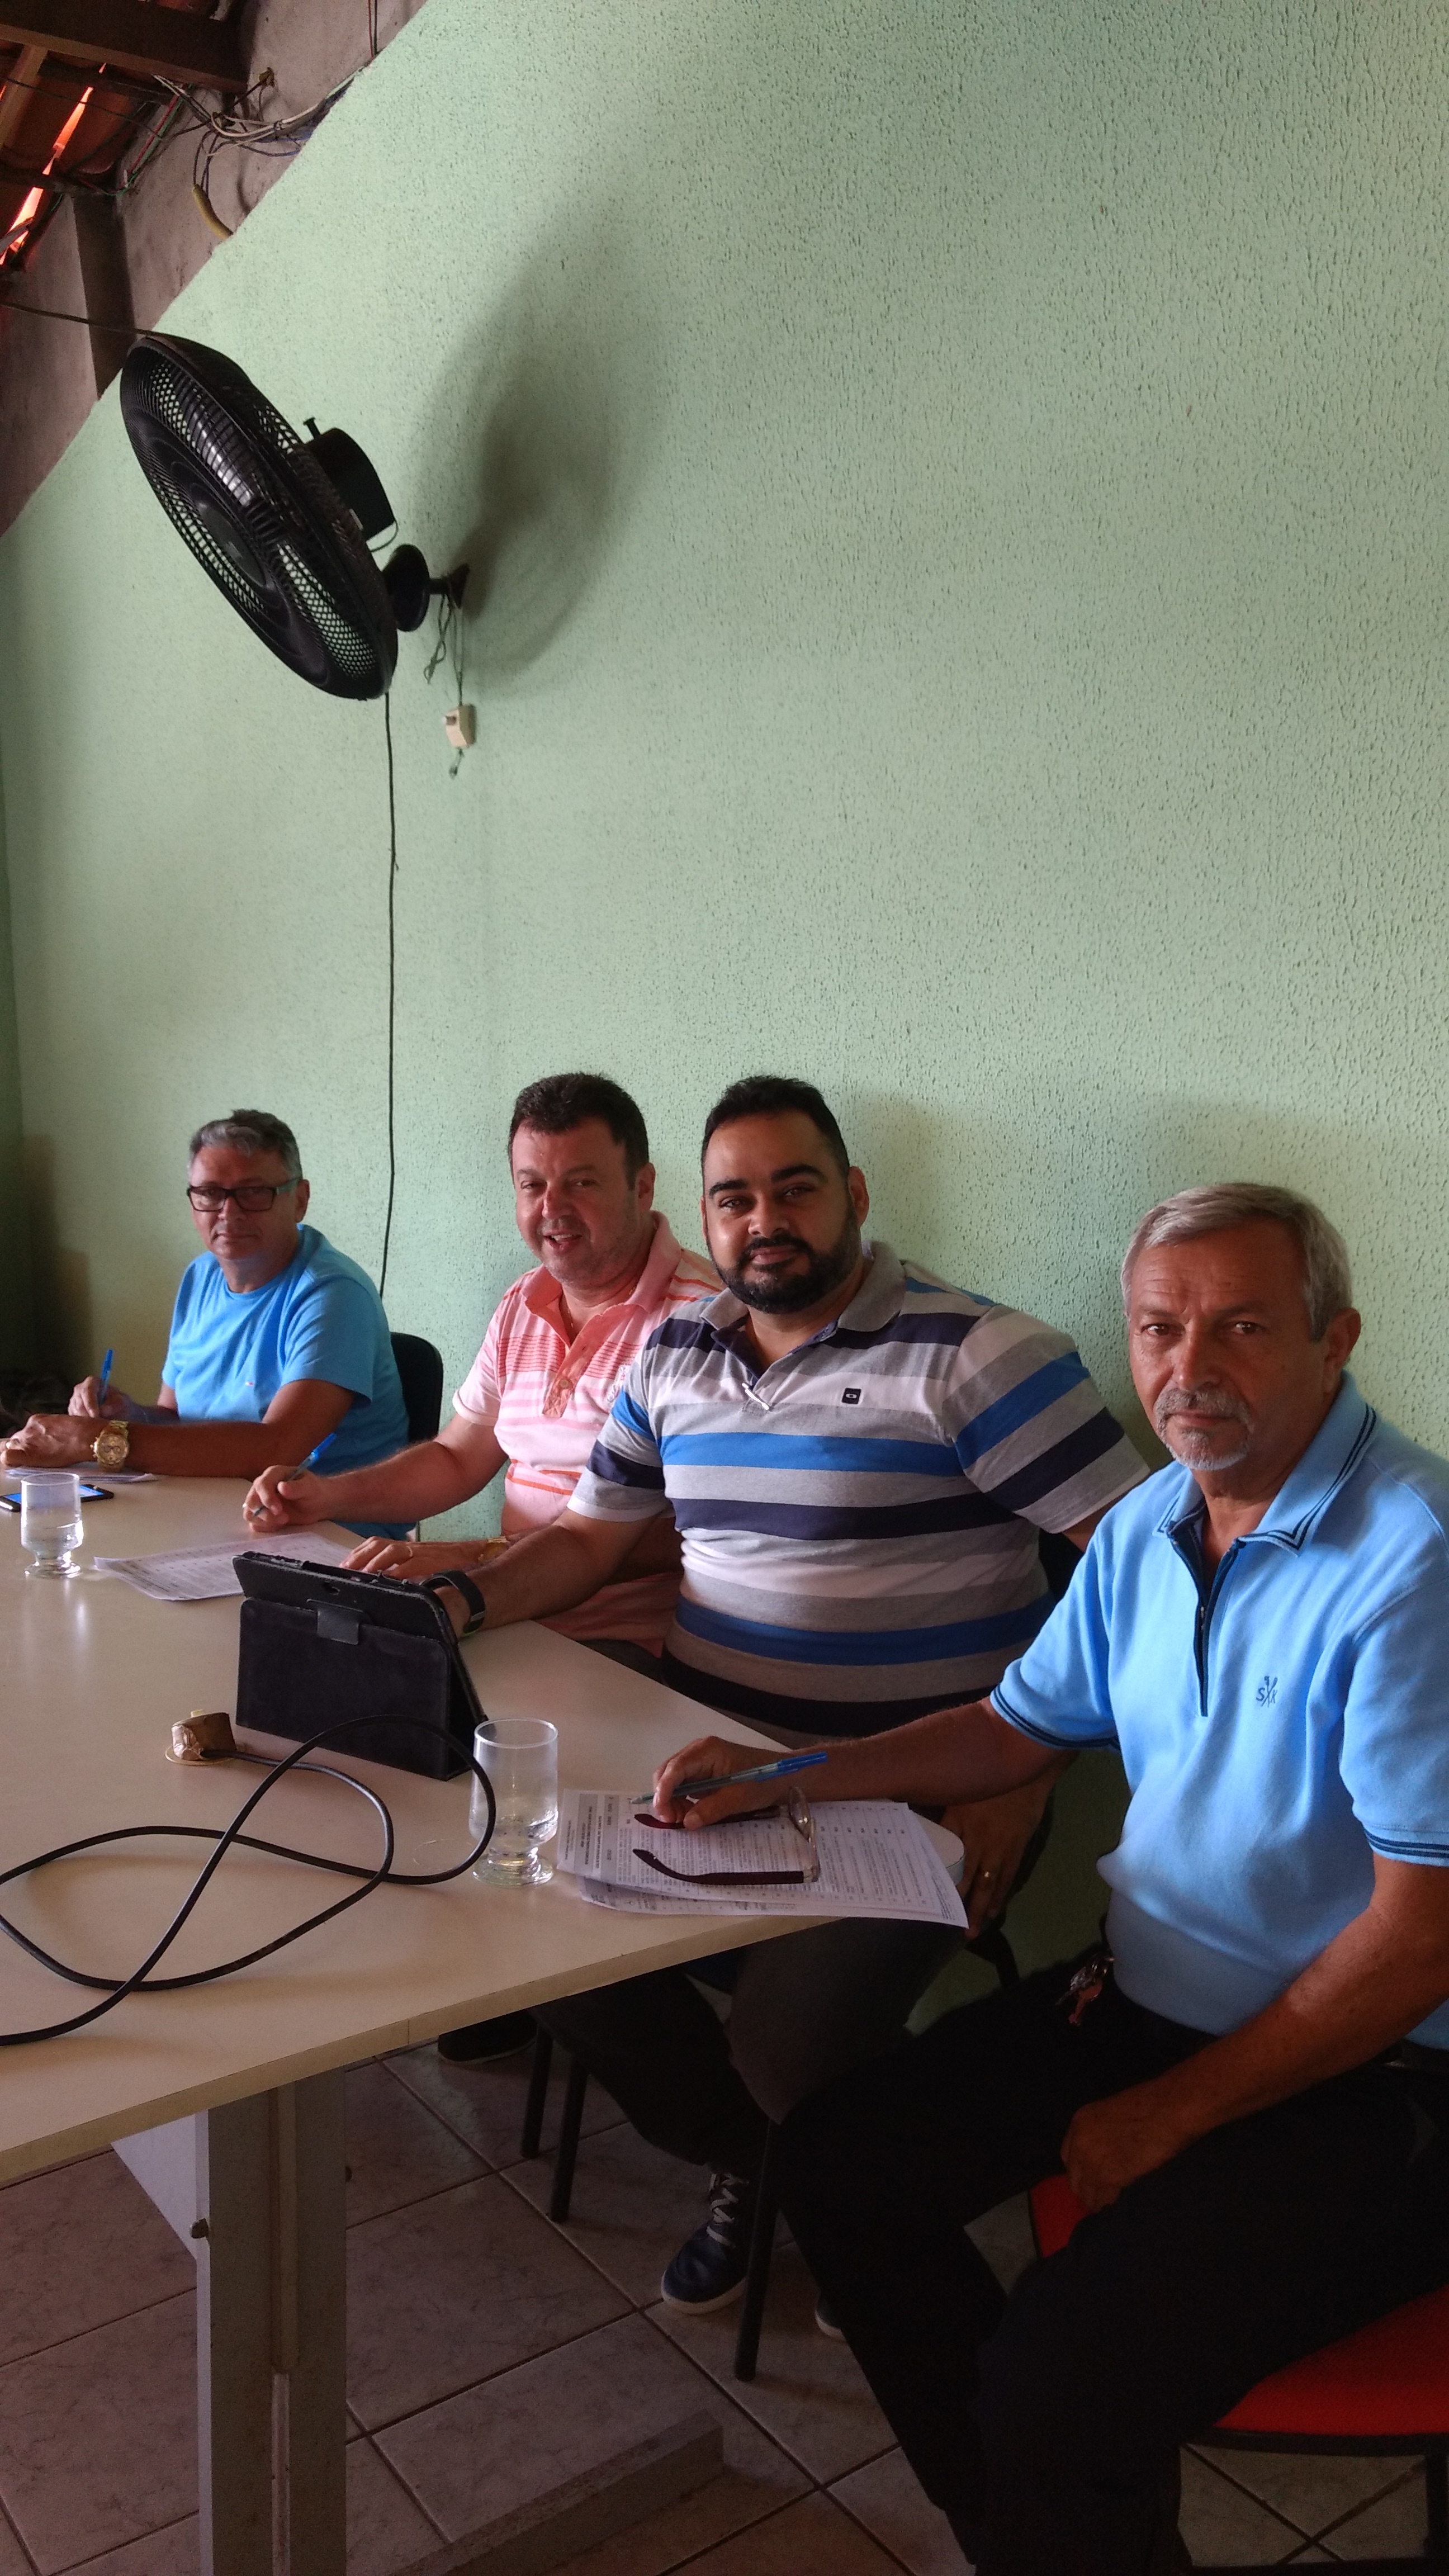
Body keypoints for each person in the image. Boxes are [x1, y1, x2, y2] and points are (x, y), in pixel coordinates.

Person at [648, 1183, 1449, 2574]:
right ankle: (1034, 2538)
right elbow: (1011, 1729)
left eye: (1243, 1326)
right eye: (1159, 1329)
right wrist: (788, 1775)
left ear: (1336, 1340)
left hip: (1378, 2071)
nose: (1188, 1367)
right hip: (1146, 1997)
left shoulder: (1414, 1560)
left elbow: (1421, 1942)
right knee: (834, 2165)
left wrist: (1168, 2113)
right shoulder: (1150, 1523)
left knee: (1061, 2375)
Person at [307, 1075, 1146, 2309]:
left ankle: (847, 2196)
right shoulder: (677, 1353)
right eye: (736, 1198)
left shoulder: (979, 1355)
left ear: (854, 1194)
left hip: (910, 1788)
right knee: (514, 1907)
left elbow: (1146, 1579)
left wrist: (1031, 1764)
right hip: (703, 1761)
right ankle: (766, 2161)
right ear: (704, 1215)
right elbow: (587, 1540)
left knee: (783, 2041)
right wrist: (460, 1599)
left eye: (795, 1189)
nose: (766, 1220)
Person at [245, 1069, 717, 2057]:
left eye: (581, 1182)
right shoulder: (522, 1303)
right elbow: (460, 1456)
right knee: (331, 1692)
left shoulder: (702, 1319)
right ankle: (452, 1965)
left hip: (629, 1645)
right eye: (532, 1185)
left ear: (643, 1186)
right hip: (510, 1611)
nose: (553, 1210)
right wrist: (325, 1493)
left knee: (448, 1731)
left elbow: (683, 1526)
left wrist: (473, 1558)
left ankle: (527, 1974)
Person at [3, 1112, 410, 1530]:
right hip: (211, 1512)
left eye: (254, 1192)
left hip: (326, 1534)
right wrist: (125, 1415)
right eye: (211, 1193)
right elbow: (175, 1415)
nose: (229, 1213)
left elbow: (279, 1448)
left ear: (300, 1200)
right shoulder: (201, 1275)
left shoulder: (333, 1293)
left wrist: (94, 1439)